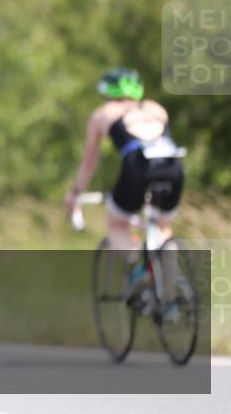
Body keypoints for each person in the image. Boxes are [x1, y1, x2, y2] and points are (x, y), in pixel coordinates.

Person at [65, 67, 185, 296]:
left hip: (137, 167)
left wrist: (75, 192)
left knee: (116, 223)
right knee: (163, 227)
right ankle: (170, 297)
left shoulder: (103, 114)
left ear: (107, 91)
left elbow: (90, 162)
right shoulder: (156, 108)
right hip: (173, 165)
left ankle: (137, 270)